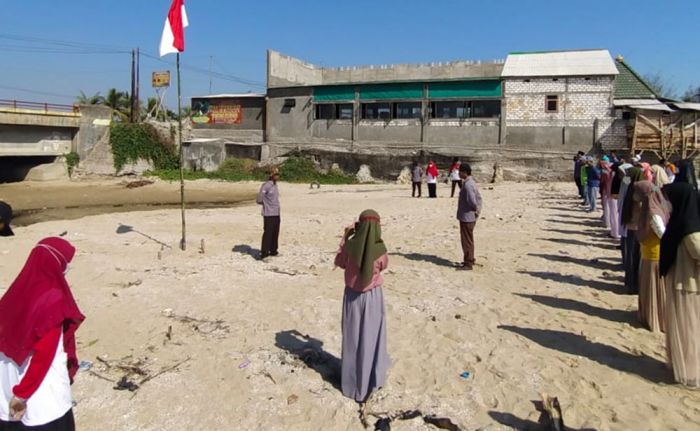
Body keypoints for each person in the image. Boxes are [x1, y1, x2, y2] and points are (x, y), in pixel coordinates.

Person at [0, 237, 84, 430]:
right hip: (39, 395)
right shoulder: (52, 298)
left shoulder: (16, 291)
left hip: (6, 384)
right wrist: (22, 393)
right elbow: (44, 355)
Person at [334, 210, 390, 403]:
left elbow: (339, 261)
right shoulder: (380, 249)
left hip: (351, 297)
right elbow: (383, 265)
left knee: (352, 339)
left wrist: (345, 236)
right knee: (371, 338)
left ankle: (352, 384)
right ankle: (371, 382)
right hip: (372, 297)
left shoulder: (350, 247)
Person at [660, 182, 700, 387]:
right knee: (687, 328)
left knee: (688, 328)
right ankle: (687, 368)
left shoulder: (687, 229)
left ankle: (689, 368)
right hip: (685, 283)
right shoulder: (686, 225)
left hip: (686, 284)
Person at [633, 181, 671, 332]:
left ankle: (654, 318)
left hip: (654, 255)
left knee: (653, 287)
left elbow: (662, 234)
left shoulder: (652, 213)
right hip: (649, 253)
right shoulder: (651, 208)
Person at [621, 167, 644, 294]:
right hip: (637, 227)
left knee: (632, 256)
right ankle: (634, 284)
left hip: (631, 226)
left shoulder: (631, 188)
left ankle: (630, 282)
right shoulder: (639, 191)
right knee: (636, 256)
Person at [456, 164, 482, 271]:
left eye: (460, 172)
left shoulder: (468, 185)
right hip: (469, 215)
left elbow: (472, 201)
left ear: (465, 172)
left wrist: (475, 210)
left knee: (466, 240)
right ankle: (470, 258)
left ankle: (468, 262)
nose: (458, 173)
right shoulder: (470, 183)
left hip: (467, 216)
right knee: (469, 239)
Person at [256, 167, 281, 260]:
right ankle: (264, 254)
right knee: (268, 233)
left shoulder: (275, 185)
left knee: (275, 232)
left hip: (276, 213)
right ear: (271, 175)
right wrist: (266, 204)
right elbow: (259, 199)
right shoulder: (266, 186)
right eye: (276, 174)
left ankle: (273, 251)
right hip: (268, 213)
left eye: (278, 174)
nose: (278, 176)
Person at [600, 158, 619, 238]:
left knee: (614, 214)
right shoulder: (610, 173)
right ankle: (614, 231)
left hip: (613, 195)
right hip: (611, 195)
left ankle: (615, 233)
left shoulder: (612, 173)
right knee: (613, 214)